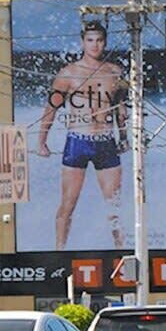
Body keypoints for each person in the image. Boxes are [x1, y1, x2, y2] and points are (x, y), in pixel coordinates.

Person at [37, 20, 129, 250]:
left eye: (99, 40)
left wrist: (124, 137)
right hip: (78, 141)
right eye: (90, 40)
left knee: (114, 206)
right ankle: (59, 250)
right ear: (82, 42)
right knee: (68, 203)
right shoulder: (68, 73)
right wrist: (42, 140)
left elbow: (120, 109)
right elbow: (52, 108)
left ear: (104, 42)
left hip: (106, 142)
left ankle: (123, 251)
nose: (94, 45)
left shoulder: (115, 72)